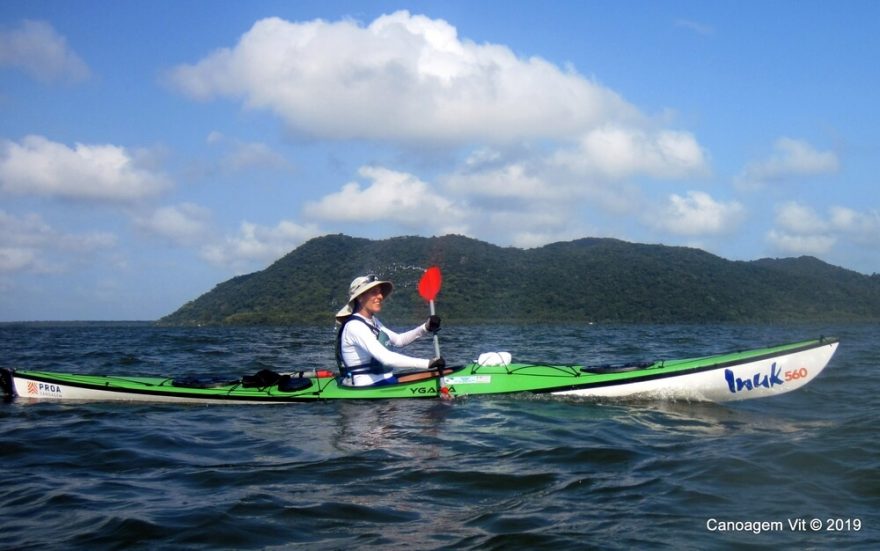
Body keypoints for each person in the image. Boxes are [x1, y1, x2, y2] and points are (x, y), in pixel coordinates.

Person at [335, 274, 445, 387]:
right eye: (374, 292)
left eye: (380, 292)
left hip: (385, 381)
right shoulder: (355, 326)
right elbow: (386, 358)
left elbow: (399, 340)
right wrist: (428, 363)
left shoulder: (373, 321)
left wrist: (426, 328)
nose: (381, 296)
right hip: (367, 389)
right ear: (360, 297)